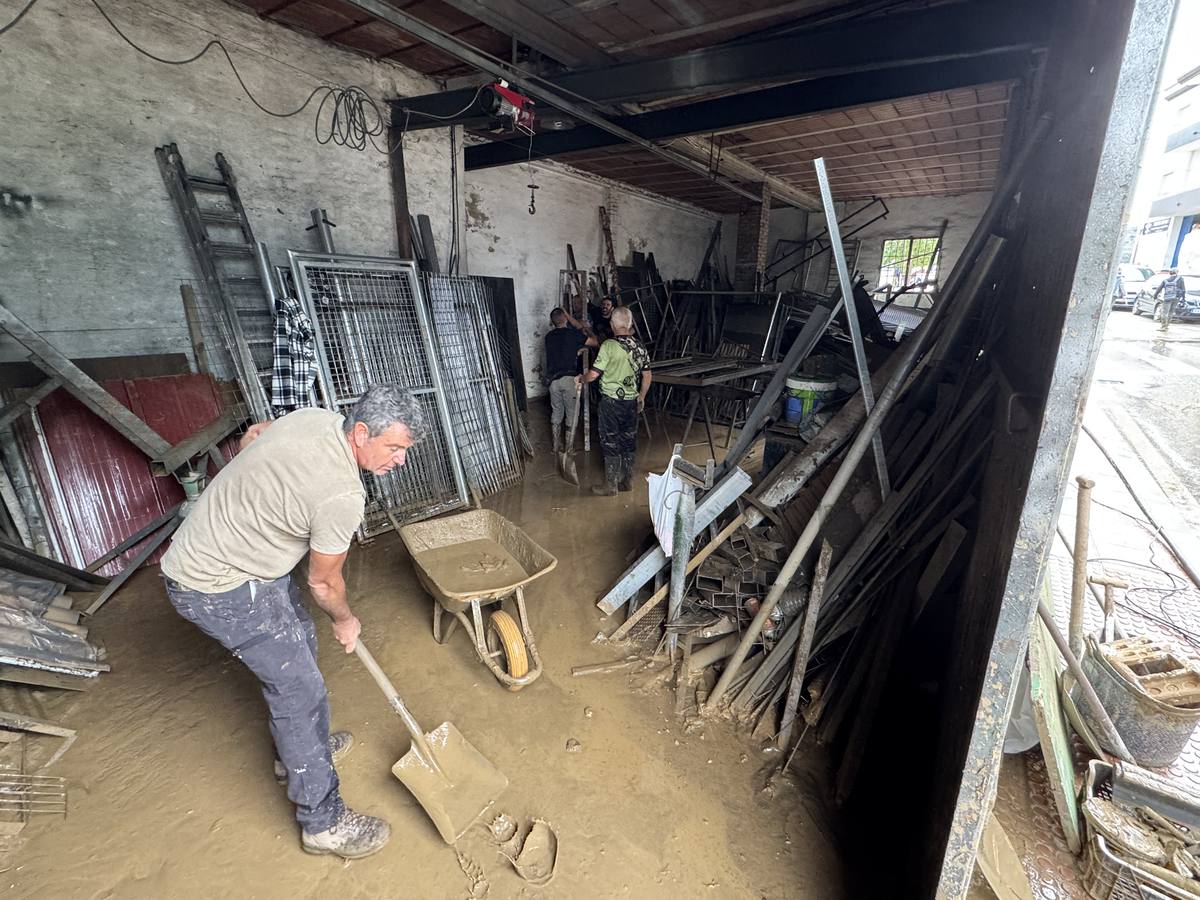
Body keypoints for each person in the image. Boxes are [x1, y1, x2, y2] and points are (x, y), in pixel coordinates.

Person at [160, 384, 425, 860]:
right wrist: (346, 621)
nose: (400, 461)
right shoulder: (342, 494)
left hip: (231, 557)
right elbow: (323, 584)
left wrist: (261, 510)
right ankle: (322, 825)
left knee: (298, 635)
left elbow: (253, 438)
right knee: (298, 690)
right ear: (361, 433)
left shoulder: (315, 418)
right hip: (215, 584)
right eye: (395, 448)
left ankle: (299, 752)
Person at [578, 306, 651, 495]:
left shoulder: (609, 346)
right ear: (629, 324)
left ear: (612, 324)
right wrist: (641, 397)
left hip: (611, 403)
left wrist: (580, 378)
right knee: (628, 440)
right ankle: (627, 482)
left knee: (610, 441)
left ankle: (610, 486)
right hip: (631, 403)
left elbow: (593, 375)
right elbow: (648, 376)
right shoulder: (640, 346)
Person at [544, 307, 598, 453]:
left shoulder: (548, 337)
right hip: (570, 380)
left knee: (556, 413)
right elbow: (594, 342)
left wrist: (577, 350)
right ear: (566, 319)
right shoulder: (573, 335)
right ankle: (569, 449)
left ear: (552, 321)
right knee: (572, 413)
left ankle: (555, 446)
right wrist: (587, 328)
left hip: (553, 381)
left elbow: (561, 350)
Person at [1152, 267, 1187, 332]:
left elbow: (1158, 289)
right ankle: (1167, 326)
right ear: (1177, 272)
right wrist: (1183, 299)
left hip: (1167, 298)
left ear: (1170, 273)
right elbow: (1183, 290)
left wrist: (1155, 296)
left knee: (1165, 312)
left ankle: (1163, 326)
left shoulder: (1165, 280)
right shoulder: (1180, 279)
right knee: (1171, 312)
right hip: (1176, 298)